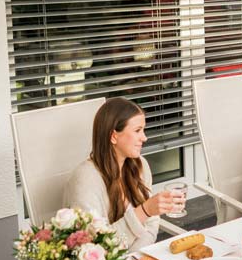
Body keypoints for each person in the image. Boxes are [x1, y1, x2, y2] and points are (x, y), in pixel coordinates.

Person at [64, 98, 184, 251]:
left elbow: (151, 225)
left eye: (144, 130)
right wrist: (144, 211)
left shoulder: (140, 166)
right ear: (114, 136)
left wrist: (135, 259)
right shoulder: (85, 180)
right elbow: (96, 248)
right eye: (137, 130)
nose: (144, 138)